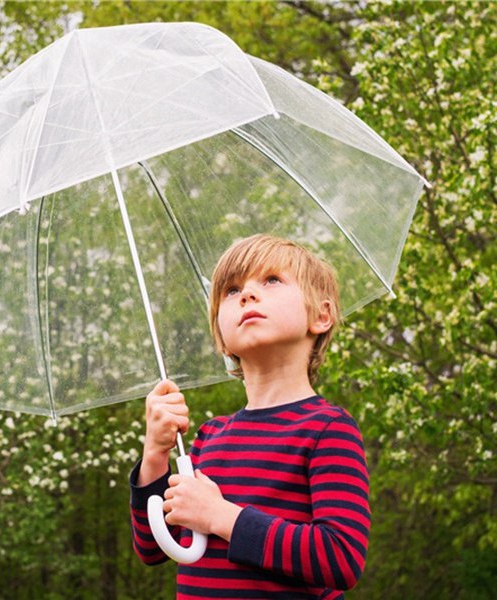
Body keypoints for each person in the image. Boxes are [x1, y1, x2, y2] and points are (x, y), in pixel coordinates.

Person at [129, 234, 370, 599]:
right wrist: (154, 455)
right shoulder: (209, 436)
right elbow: (153, 547)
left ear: (321, 316)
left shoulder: (327, 429)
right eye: (231, 290)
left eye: (272, 280)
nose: (247, 294)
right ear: (222, 340)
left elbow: (340, 558)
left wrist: (220, 516)